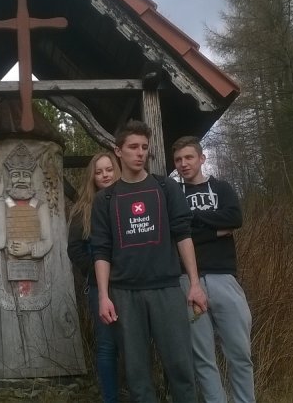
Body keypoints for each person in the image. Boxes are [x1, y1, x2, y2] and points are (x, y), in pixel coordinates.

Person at [91, 120, 208, 403]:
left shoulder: (165, 187)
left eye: (144, 147)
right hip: (125, 293)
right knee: (137, 375)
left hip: (166, 289)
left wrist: (194, 284)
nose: (140, 152)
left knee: (181, 368)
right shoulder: (106, 199)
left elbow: (183, 234)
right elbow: (101, 251)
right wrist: (104, 296)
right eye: (133, 147)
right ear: (118, 151)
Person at [172, 136, 254, 403]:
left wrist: (193, 220)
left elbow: (234, 218)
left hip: (224, 278)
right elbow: (174, 233)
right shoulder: (174, 194)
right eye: (178, 160)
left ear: (201, 158)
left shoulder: (221, 188)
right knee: (203, 358)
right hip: (188, 282)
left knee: (240, 353)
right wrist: (215, 231)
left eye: (189, 157)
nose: (184, 164)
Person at [67, 151, 121, 403]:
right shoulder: (83, 209)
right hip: (99, 287)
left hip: (131, 283)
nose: (105, 175)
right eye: (98, 172)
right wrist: (96, 269)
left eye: (109, 170)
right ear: (92, 177)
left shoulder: (128, 199)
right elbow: (74, 248)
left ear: (116, 171)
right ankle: (110, 398)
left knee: (134, 343)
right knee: (107, 345)